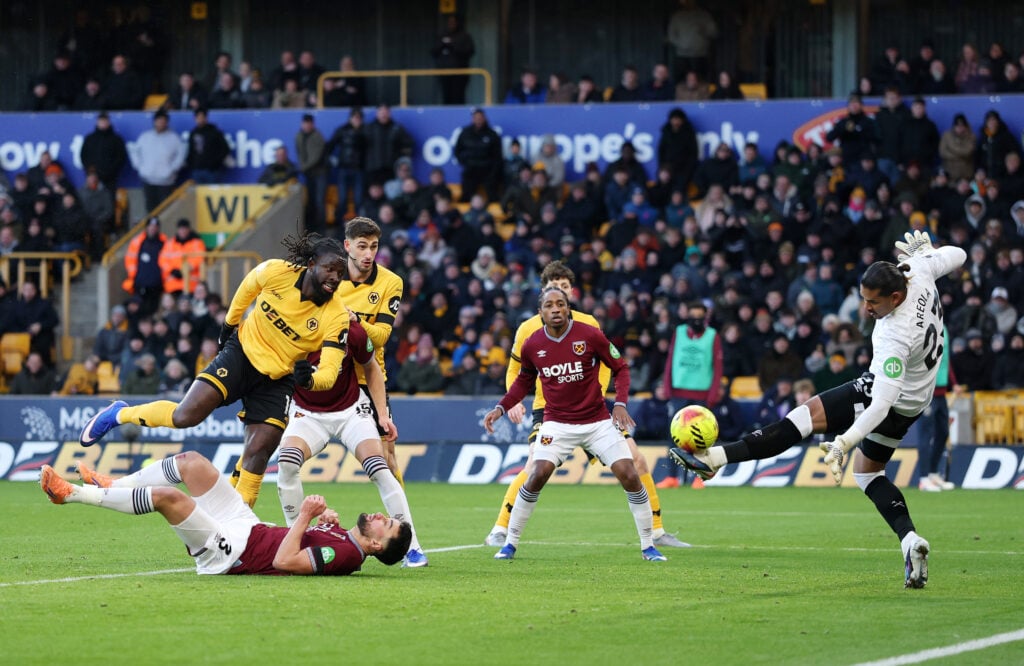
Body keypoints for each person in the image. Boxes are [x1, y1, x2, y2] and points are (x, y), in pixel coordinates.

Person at [672, 230, 967, 588]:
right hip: (915, 401)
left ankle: (715, 458)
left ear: (895, 296)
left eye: (873, 302)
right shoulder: (916, 271)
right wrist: (929, 253)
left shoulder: (894, 334)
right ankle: (910, 541)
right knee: (869, 475)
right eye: (863, 299)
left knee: (802, 418)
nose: (866, 308)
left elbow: (880, 405)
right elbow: (960, 255)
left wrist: (845, 442)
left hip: (889, 396)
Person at [79, 232, 352, 510]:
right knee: (185, 416)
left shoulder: (337, 315)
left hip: (277, 380)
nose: (335, 277)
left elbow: (329, 372)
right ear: (310, 264)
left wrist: (309, 380)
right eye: (330, 268)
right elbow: (246, 291)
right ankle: (119, 413)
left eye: (341, 273)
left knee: (258, 453)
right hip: (241, 355)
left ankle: (237, 532)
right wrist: (228, 327)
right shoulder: (275, 271)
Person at [483, 261, 686, 550]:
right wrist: (508, 403)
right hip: (548, 409)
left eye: (564, 289)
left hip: (593, 408)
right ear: (543, 297)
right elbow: (518, 372)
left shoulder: (588, 324)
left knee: (636, 461)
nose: (558, 296)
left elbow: (608, 363)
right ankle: (501, 529)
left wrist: (609, 397)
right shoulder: (528, 331)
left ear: (570, 295)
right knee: (534, 468)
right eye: (553, 289)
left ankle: (655, 532)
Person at [41, 451, 411, 576]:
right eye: (388, 516)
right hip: (248, 529)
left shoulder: (346, 555)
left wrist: (305, 515)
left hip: (231, 554)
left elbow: (284, 562)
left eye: (387, 524)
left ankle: (71, 493)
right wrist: (318, 521)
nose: (381, 515)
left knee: (170, 498)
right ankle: (113, 485)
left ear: (377, 545)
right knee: (192, 464)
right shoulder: (345, 540)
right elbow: (299, 544)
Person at [275, 317, 429, 567]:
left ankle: (412, 547)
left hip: (350, 412)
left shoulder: (350, 328)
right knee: (287, 462)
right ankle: (295, 535)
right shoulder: (289, 320)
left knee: (379, 468)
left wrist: (381, 414)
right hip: (308, 413)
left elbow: (371, 368)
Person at [333, 217, 406, 481]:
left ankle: (404, 522)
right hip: (327, 374)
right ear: (347, 246)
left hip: (368, 377)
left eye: (373, 247)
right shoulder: (329, 277)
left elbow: (381, 336)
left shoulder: (390, 282)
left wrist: (356, 320)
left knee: (387, 457)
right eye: (362, 246)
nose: (368, 254)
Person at [657, 300, 722, 488]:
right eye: (692, 315)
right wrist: (668, 386)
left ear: (705, 317)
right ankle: (672, 477)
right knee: (674, 435)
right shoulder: (678, 332)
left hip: (702, 393)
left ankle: (698, 477)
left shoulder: (712, 336)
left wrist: (713, 393)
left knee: (701, 437)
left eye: (699, 316)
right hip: (679, 391)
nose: (696, 319)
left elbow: (717, 367)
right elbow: (671, 359)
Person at [917, 326, 956, 492]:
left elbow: (946, 359)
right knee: (925, 434)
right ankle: (923, 478)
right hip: (927, 391)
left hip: (941, 391)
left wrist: (954, 383)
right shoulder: (923, 325)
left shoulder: (944, 328)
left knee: (943, 432)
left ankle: (933, 474)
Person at [129, 109, 186, 213]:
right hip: (148, 180)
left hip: (166, 181)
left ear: (167, 123)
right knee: (150, 210)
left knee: (166, 211)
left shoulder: (174, 138)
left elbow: (180, 156)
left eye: (163, 121)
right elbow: (135, 152)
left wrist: (172, 170)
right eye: (159, 120)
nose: (161, 123)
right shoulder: (145, 137)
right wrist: (140, 168)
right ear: (154, 122)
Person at [324, 108, 368, 220]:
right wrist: (332, 159)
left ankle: (359, 223)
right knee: (342, 198)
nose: (357, 120)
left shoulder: (366, 131)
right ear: (350, 118)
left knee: (359, 198)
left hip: (360, 169)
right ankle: (340, 222)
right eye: (355, 117)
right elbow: (330, 145)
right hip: (344, 168)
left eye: (359, 118)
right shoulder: (342, 130)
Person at [454, 108, 503, 204]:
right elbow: (457, 150)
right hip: (471, 168)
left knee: (493, 192)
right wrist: (465, 162)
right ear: (472, 119)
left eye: (480, 118)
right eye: (476, 118)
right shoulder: (465, 133)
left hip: (487, 169)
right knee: (466, 194)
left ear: (484, 118)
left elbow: (498, 156)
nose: (478, 120)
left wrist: (493, 170)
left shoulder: (492, 134)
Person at [122, 216, 167, 316]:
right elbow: (130, 260)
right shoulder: (138, 242)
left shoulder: (164, 242)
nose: (153, 228)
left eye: (155, 226)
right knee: (138, 310)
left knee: (153, 310)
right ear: (146, 227)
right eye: (150, 226)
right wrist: (133, 276)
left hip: (157, 284)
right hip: (140, 283)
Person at [79, 111, 128, 200]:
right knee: (91, 202)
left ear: (109, 122)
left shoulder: (116, 139)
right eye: (101, 121)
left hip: (110, 179)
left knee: (109, 202)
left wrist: (110, 172)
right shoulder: (90, 138)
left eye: (105, 121)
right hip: (92, 177)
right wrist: (90, 172)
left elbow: (121, 158)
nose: (103, 123)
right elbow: (83, 156)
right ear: (97, 122)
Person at [666, 0, 718, 81]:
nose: (689, 3)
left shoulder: (704, 15)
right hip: (682, 55)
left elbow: (714, 33)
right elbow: (671, 35)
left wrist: (704, 31)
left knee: (701, 79)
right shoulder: (677, 16)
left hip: (700, 54)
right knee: (682, 80)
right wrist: (682, 45)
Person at [432, 14, 475, 105]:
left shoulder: (464, 36)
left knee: (458, 96)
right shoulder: (441, 36)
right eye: (450, 22)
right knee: (446, 97)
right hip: (444, 71)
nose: (451, 24)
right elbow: (433, 52)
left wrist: (453, 46)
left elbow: (470, 51)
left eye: (453, 22)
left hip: (459, 72)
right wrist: (442, 45)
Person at [296, 114, 327, 234]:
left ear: (313, 124)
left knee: (319, 200)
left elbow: (316, 157)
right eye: (305, 123)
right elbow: (300, 154)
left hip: (320, 173)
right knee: (310, 201)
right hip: (308, 173)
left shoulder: (318, 137)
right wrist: (303, 167)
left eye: (309, 123)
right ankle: (310, 227)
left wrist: (302, 167)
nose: (307, 126)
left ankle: (321, 228)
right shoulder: (298, 136)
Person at [158, 218, 206, 296]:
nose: (183, 231)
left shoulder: (197, 243)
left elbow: (199, 258)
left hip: (191, 285)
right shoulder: (170, 244)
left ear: (189, 229)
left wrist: (185, 269)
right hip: (173, 285)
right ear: (178, 230)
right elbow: (162, 260)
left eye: (185, 229)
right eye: (181, 229)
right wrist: (172, 270)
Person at [185, 108, 230, 185]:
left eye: (202, 117)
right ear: (195, 119)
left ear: (206, 118)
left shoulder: (214, 132)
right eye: (198, 117)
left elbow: (225, 149)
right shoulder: (193, 133)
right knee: (199, 195)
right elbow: (191, 151)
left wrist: (215, 163)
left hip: (211, 171)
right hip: (197, 170)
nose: (200, 119)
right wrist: (192, 165)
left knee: (212, 194)